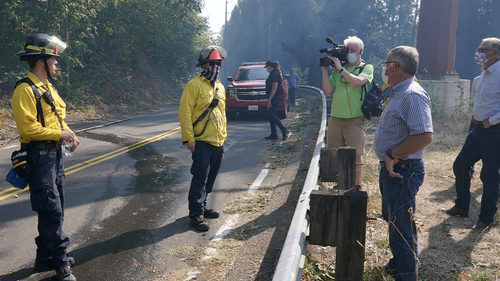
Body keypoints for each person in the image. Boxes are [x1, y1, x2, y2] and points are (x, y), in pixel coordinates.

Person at [11, 33, 80, 281]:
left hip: (54, 154)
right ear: (41, 61)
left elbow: (56, 120)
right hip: (39, 156)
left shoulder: (48, 87)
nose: (56, 62)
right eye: (53, 58)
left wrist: (70, 135)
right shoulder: (24, 89)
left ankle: (44, 257)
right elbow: (27, 129)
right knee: (50, 208)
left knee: (56, 206)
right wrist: (59, 133)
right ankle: (61, 262)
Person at [374, 46, 433, 281]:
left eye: (386, 64)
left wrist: (392, 154)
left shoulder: (412, 95)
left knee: (402, 227)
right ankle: (398, 262)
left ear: (395, 67)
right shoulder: (398, 92)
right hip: (394, 169)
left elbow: (424, 136)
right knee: (394, 220)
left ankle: (407, 275)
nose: (384, 68)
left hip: (402, 170)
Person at [446, 37, 500, 230]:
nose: (478, 52)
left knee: (490, 175)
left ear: (494, 53)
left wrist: (489, 121)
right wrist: (477, 120)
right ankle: (462, 206)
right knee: (461, 164)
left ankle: (486, 219)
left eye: (482, 49)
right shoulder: (483, 74)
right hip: (478, 128)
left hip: (494, 131)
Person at [178, 45, 227, 232]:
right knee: (200, 176)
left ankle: (203, 207)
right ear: (203, 65)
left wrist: (223, 136)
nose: (217, 67)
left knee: (211, 176)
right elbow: (185, 113)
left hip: (218, 141)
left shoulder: (220, 87)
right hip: (201, 141)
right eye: (213, 63)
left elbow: (222, 114)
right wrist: (189, 140)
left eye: (219, 64)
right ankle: (195, 215)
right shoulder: (193, 85)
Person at [320, 36, 373, 190]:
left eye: (352, 50)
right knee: (335, 153)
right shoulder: (337, 71)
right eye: (347, 50)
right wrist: (325, 71)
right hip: (336, 118)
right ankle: (341, 183)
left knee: (356, 155)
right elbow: (329, 90)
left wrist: (341, 69)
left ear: (360, 52)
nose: (349, 53)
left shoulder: (366, 68)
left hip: (354, 119)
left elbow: (357, 82)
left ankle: (356, 185)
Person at [264, 60, 292, 141]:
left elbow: (274, 88)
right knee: (271, 114)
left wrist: (269, 100)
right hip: (275, 97)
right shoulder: (272, 74)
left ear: (269, 66)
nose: (267, 69)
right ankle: (274, 133)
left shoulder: (274, 74)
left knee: (271, 114)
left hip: (276, 96)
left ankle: (284, 130)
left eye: (267, 67)